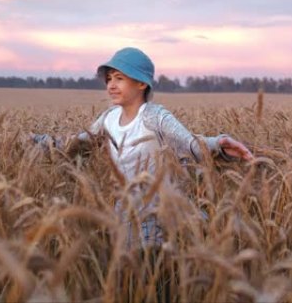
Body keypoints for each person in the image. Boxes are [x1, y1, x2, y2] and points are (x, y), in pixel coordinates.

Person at [32, 47, 253, 249]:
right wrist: (38, 142)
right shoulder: (108, 118)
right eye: (109, 79)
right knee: (132, 276)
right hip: (127, 213)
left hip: (162, 213)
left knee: (159, 275)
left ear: (141, 83)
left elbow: (189, 143)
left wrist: (219, 144)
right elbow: (77, 145)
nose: (111, 85)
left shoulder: (155, 116)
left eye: (119, 78)